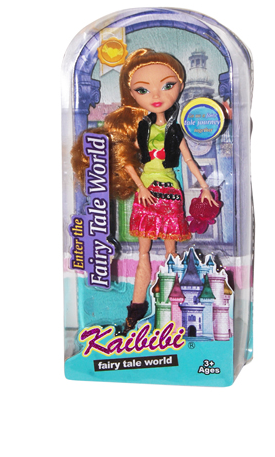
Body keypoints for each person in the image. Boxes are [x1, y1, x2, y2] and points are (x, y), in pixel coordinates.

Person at [72, 49, 218, 333]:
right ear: (132, 94)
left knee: (171, 253)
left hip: (170, 194)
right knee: (143, 252)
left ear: (179, 87)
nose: (156, 95)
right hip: (147, 194)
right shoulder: (143, 130)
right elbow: (126, 159)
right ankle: (136, 308)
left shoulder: (175, 132)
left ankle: (173, 308)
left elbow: (189, 161)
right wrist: (140, 186)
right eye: (143, 89)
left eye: (167, 85)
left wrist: (204, 187)